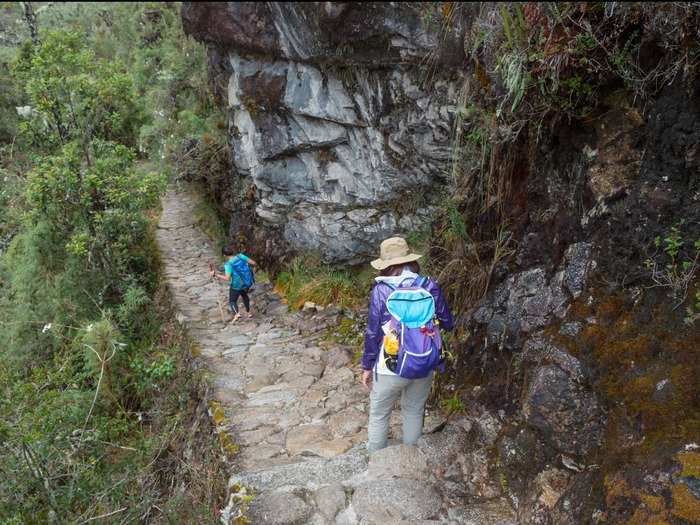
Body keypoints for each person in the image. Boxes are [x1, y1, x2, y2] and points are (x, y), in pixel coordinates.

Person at [361, 236, 454, 453]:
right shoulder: (428, 284)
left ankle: (376, 460)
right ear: (410, 261)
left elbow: (373, 333)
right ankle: (411, 458)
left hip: (390, 364)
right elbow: (448, 322)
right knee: (413, 410)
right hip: (424, 359)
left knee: (379, 413)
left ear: (385, 265)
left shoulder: (381, 290)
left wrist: (366, 365)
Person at [209, 245, 258, 322]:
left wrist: (216, 275)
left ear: (224, 255)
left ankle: (237, 314)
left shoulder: (228, 264)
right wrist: (253, 272)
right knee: (244, 295)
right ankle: (248, 313)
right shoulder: (241, 256)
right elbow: (254, 263)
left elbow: (227, 278)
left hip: (236, 285)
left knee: (232, 301)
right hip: (246, 282)